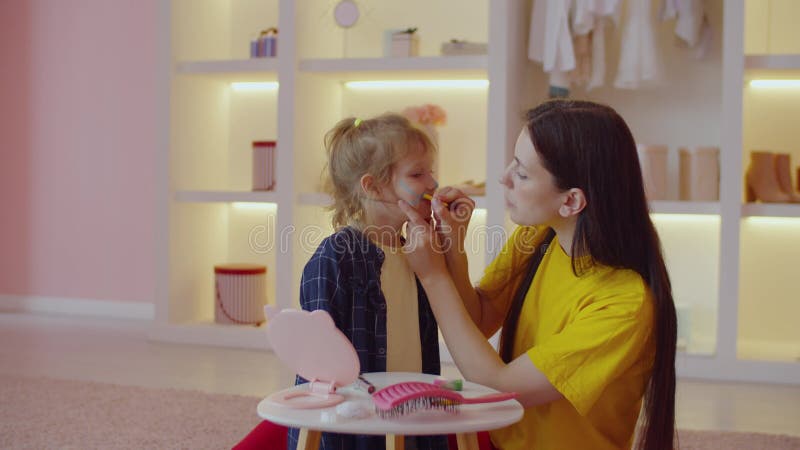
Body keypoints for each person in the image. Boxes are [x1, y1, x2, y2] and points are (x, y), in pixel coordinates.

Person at [398, 99, 677, 450]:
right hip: (503, 437)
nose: (504, 178)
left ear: (572, 201)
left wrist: (433, 277)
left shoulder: (623, 303)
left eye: (522, 173)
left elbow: (499, 385)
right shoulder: (539, 235)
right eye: (513, 163)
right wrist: (453, 247)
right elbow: (480, 320)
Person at [235, 113, 449, 450]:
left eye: (431, 172)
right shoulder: (337, 256)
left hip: (409, 413)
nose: (433, 184)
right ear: (372, 186)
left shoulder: (418, 251)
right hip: (351, 426)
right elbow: (319, 363)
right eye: (417, 174)